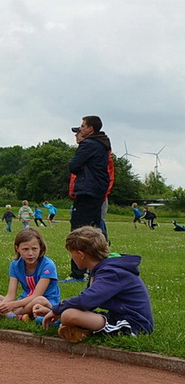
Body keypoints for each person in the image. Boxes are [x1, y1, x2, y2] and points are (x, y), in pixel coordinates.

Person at [34, 227, 154, 342]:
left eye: (72, 254)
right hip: (117, 317)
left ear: (81, 255)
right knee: (68, 314)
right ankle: (79, 330)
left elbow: (86, 300)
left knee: (69, 315)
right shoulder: (100, 269)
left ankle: (79, 329)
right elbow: (88, 304)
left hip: (134, 325)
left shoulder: (112, 272)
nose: (72, 258)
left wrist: (57, 310)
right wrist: (53, 310)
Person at [0, 228, 60, 320]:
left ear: (40, 248)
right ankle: (12, 316)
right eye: (25, 249)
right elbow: (11, 295)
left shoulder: (48, 265)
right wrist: (3, 305)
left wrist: (11, 305)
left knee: (40, 300)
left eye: (34, 249)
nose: (30, 253)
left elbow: (36, 295)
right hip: (23, 301)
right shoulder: (15, 265)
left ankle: (1, 313)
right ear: (17, 248)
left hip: (44, 302)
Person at [67, 116, 111, 280]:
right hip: (97, 192)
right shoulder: (102, 144)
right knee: (95, 231)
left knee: (79, 231)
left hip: (87, 192)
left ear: (90, 128)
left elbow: (73, 165)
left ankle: (78, 273)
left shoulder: (89, 144)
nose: (80, 129)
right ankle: (98, 268)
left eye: (82, 126)